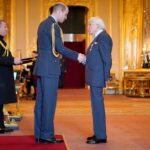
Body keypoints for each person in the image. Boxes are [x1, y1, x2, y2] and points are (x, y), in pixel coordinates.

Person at [33, 2, 85, 144]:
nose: (67, 17)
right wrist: (78, 56)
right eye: (66, 14)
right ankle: (47, 135)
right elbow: (60, 48)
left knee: (41, 103)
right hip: (50, 69)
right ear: (59, 12)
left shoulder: (42, 24)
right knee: (49, 103)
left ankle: (39, 134)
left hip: (42, 67)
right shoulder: (53, 26)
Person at [85, 17, 112, 144]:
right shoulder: (97, 38)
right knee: (96, 107)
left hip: (98, 77)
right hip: (94, 77)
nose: (88, 27)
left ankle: (101, 136)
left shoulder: (103, 38)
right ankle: (98, 133)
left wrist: (104, 77)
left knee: (98, 107)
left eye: (90, 24)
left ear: (97, 26)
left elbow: (107, 60)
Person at [0, 20, 22, 134]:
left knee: (1, 102)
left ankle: (1, 125)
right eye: (4, 27)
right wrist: (13, 60)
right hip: (1, 77)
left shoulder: (3, 42)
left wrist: (16, 61)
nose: (6, 29)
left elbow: (7, 57)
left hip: (4, 76)